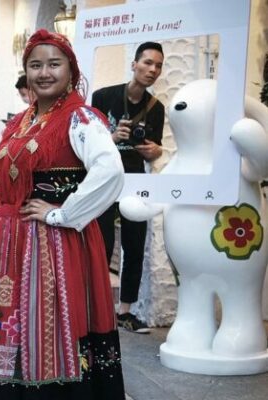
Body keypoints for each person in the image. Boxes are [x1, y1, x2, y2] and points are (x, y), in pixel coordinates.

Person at [0, 29, 125, 399]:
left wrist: (62, 214)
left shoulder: (81, 119)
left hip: (52, 245)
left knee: (49, 324)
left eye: (54, 64)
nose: (44, 73)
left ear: (71, 70)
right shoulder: (19, 121)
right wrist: (0, 221)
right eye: (35, 65)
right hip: (10, 244)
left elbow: (110, 172)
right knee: (12, 326)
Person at [91, 41, 166, 334]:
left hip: (136, 180)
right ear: (134, 64)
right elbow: (86, 141)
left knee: (134, 244)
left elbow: (155, 146)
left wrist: (154, 152)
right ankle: (98, 310)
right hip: (106, 179)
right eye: (147, 63)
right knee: (102, 243)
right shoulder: (103, 97)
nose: (152, 70)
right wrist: (112, 136)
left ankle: (126, 312)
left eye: (158, 65)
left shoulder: (155, 108)